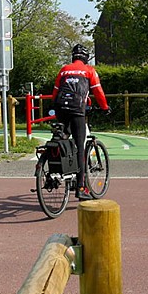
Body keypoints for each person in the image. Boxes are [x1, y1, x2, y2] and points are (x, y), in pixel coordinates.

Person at [51, 44, 110, 200]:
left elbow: (55, 93)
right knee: (80, 146)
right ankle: (81, 187)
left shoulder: (64, 69)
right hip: (77, 110)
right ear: (86, 58)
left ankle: (54, 171)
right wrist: (105, 107)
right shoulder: (89, 70)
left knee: (62, 138)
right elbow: (98, 91)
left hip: (61, 108)